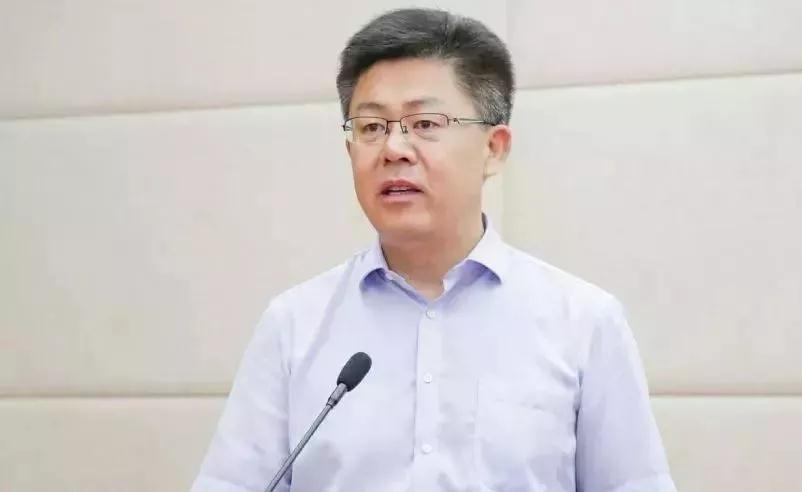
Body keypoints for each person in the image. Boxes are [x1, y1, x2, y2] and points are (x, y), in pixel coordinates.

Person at [192, 8, 675, 492]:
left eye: (424, 123)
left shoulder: (583, 324)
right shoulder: (294, 326)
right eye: (371, 127)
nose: (393, 149)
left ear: (494, 148)